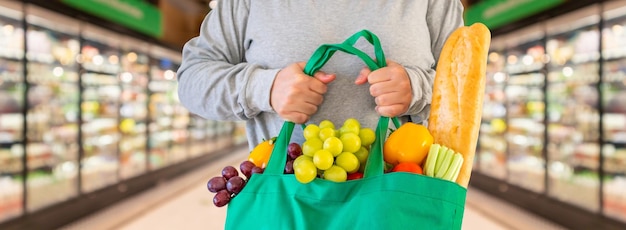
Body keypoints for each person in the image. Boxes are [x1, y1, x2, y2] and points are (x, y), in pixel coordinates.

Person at [177, 1, 464, 149]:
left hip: (401, 200)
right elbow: (192, 79)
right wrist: (264, 88)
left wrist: (418, 88)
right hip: (285, 202)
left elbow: (467, 88)